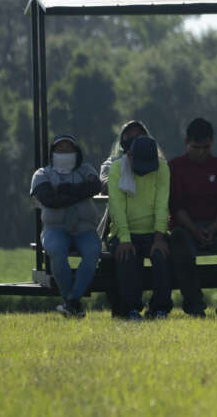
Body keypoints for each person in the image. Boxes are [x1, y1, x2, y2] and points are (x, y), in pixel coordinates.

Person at [167, 117, 217, 317]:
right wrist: (194, 229)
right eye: (196, 147)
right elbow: (176, 205)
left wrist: (213, 228)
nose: (201, 152)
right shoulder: (174, 168)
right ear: (186, 142)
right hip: (186, 227)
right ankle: (194, 305)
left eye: (205, 147)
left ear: (212, 143)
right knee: (179, 246)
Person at [30, 134, 102, 317]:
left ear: (77, 152)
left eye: (68, 149)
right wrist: (78, 191)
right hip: (55, 228)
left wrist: (61, 190)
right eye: (59, 149)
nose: (64, 152)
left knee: (92, 253)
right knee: (56, 251)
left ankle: (72, 300)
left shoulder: (86, 170)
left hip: (85, 228)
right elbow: (48, 199)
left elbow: (94, 187)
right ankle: (71, 300)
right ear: (52, 153)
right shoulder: (42, 174)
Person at [108, 135, 173, 320]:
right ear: (129, 156)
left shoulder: (163, 168)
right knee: (126, 256)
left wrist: (159, 238)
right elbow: (117, 208)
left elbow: (162, 205)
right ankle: (131, 309)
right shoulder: (116, 169)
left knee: (162, 257)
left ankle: (160, 308)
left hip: (153, 232)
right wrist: (125, 239)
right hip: (123, 232)